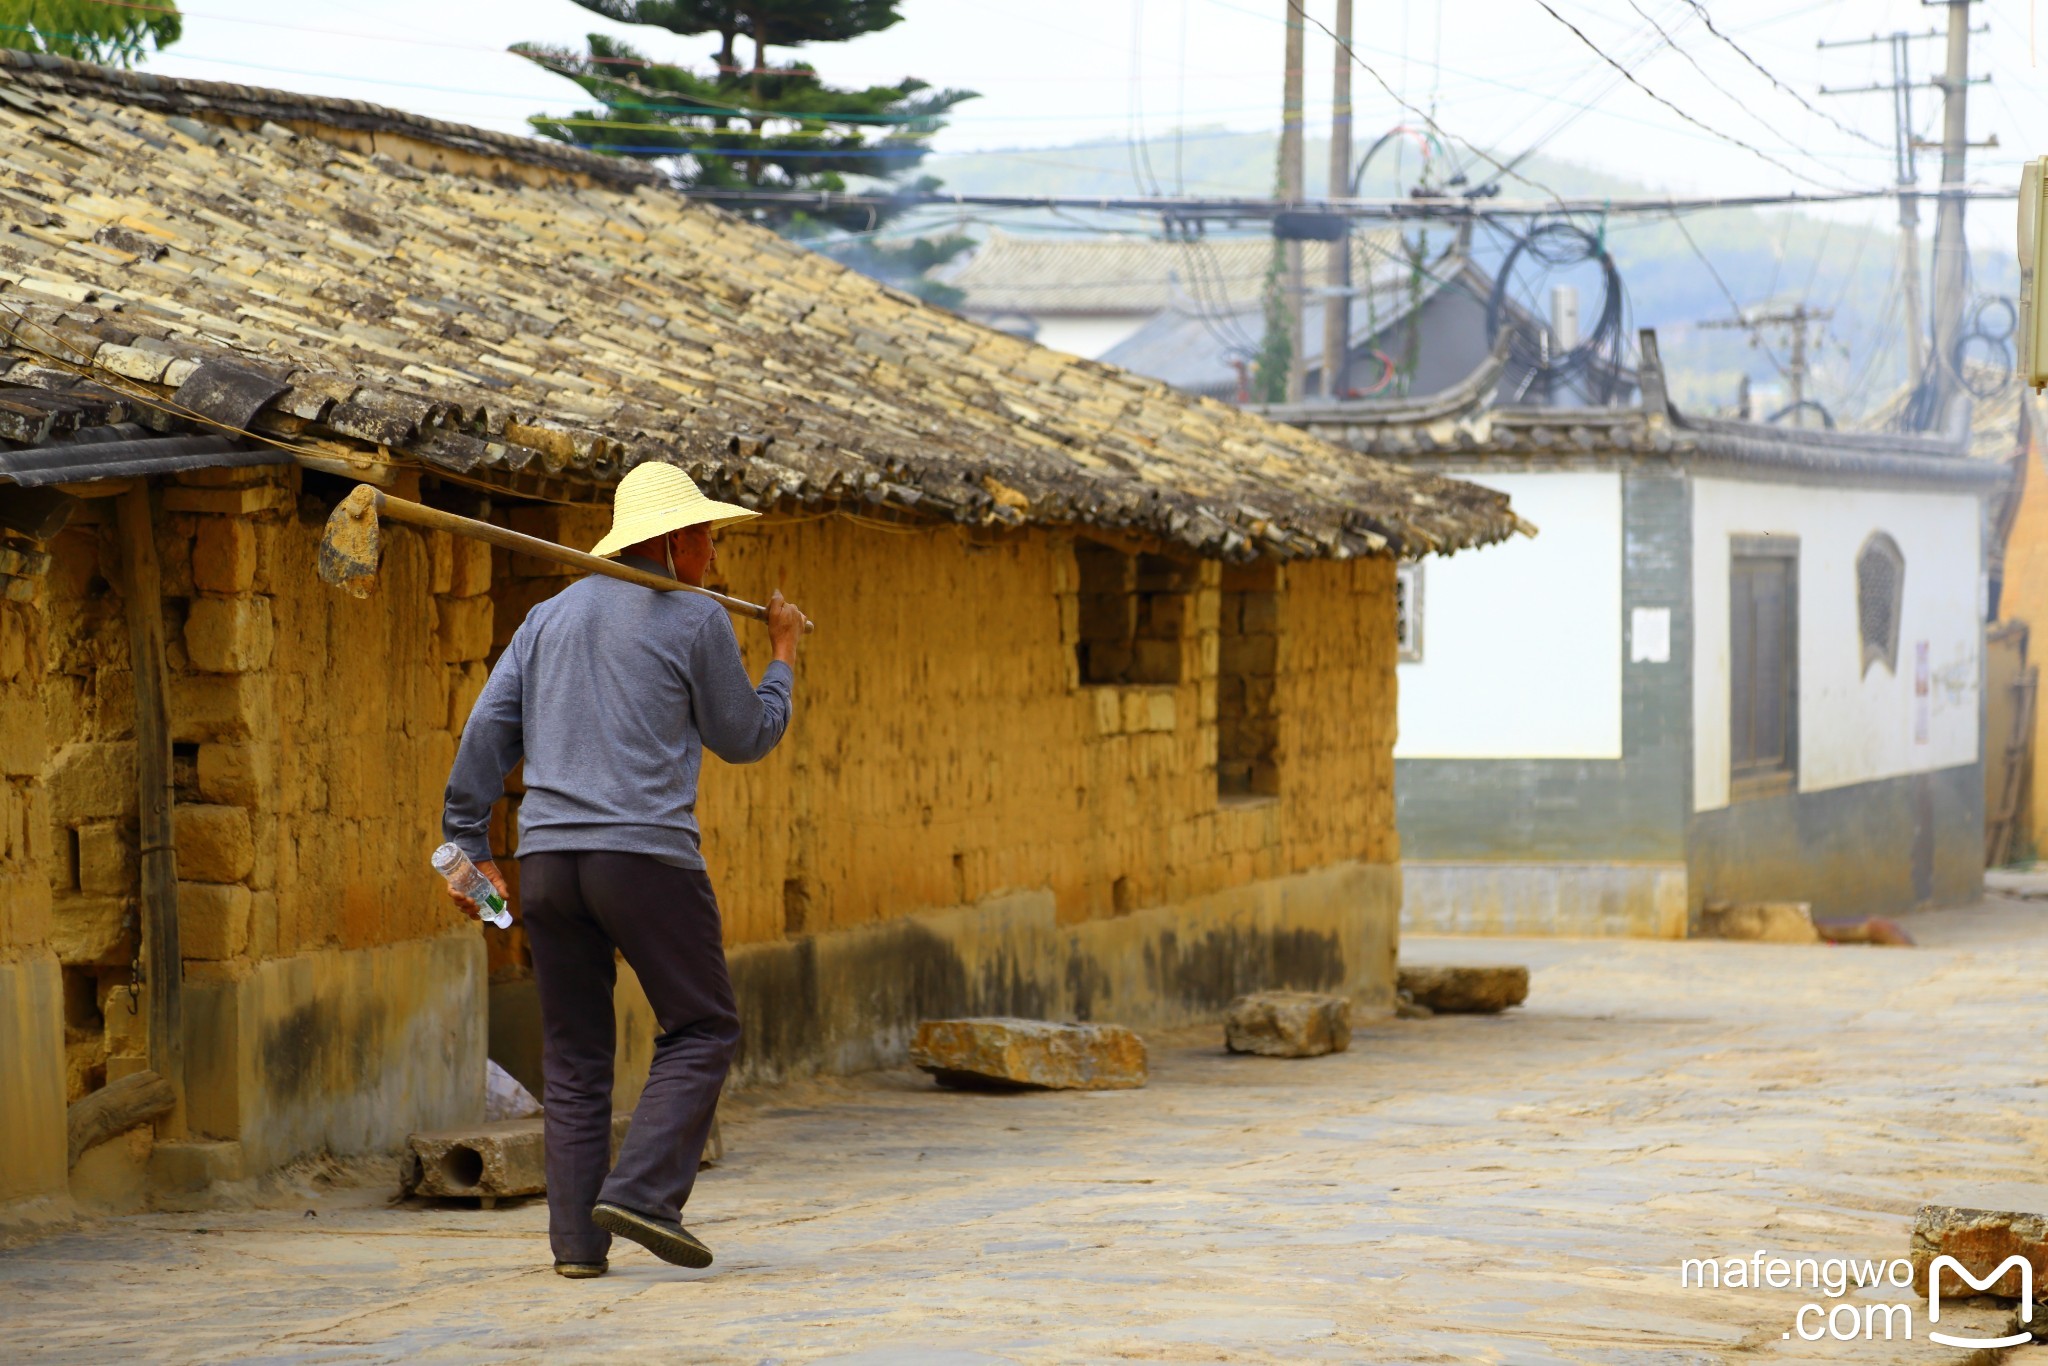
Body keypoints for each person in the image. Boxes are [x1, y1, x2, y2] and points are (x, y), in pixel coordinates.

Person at [441, 461, 807, 1278]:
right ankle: (643, 1193)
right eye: (707, 538)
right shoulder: (696, 618)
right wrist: (782, 654)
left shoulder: (546, 619)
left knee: (575, 1060)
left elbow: (484, 734)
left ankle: (577, 1248)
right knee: (703, 1026)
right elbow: (746, 735)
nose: (713, 557)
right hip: (643, 860)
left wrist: (467, 850)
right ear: (673, 541)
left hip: (548, 864)